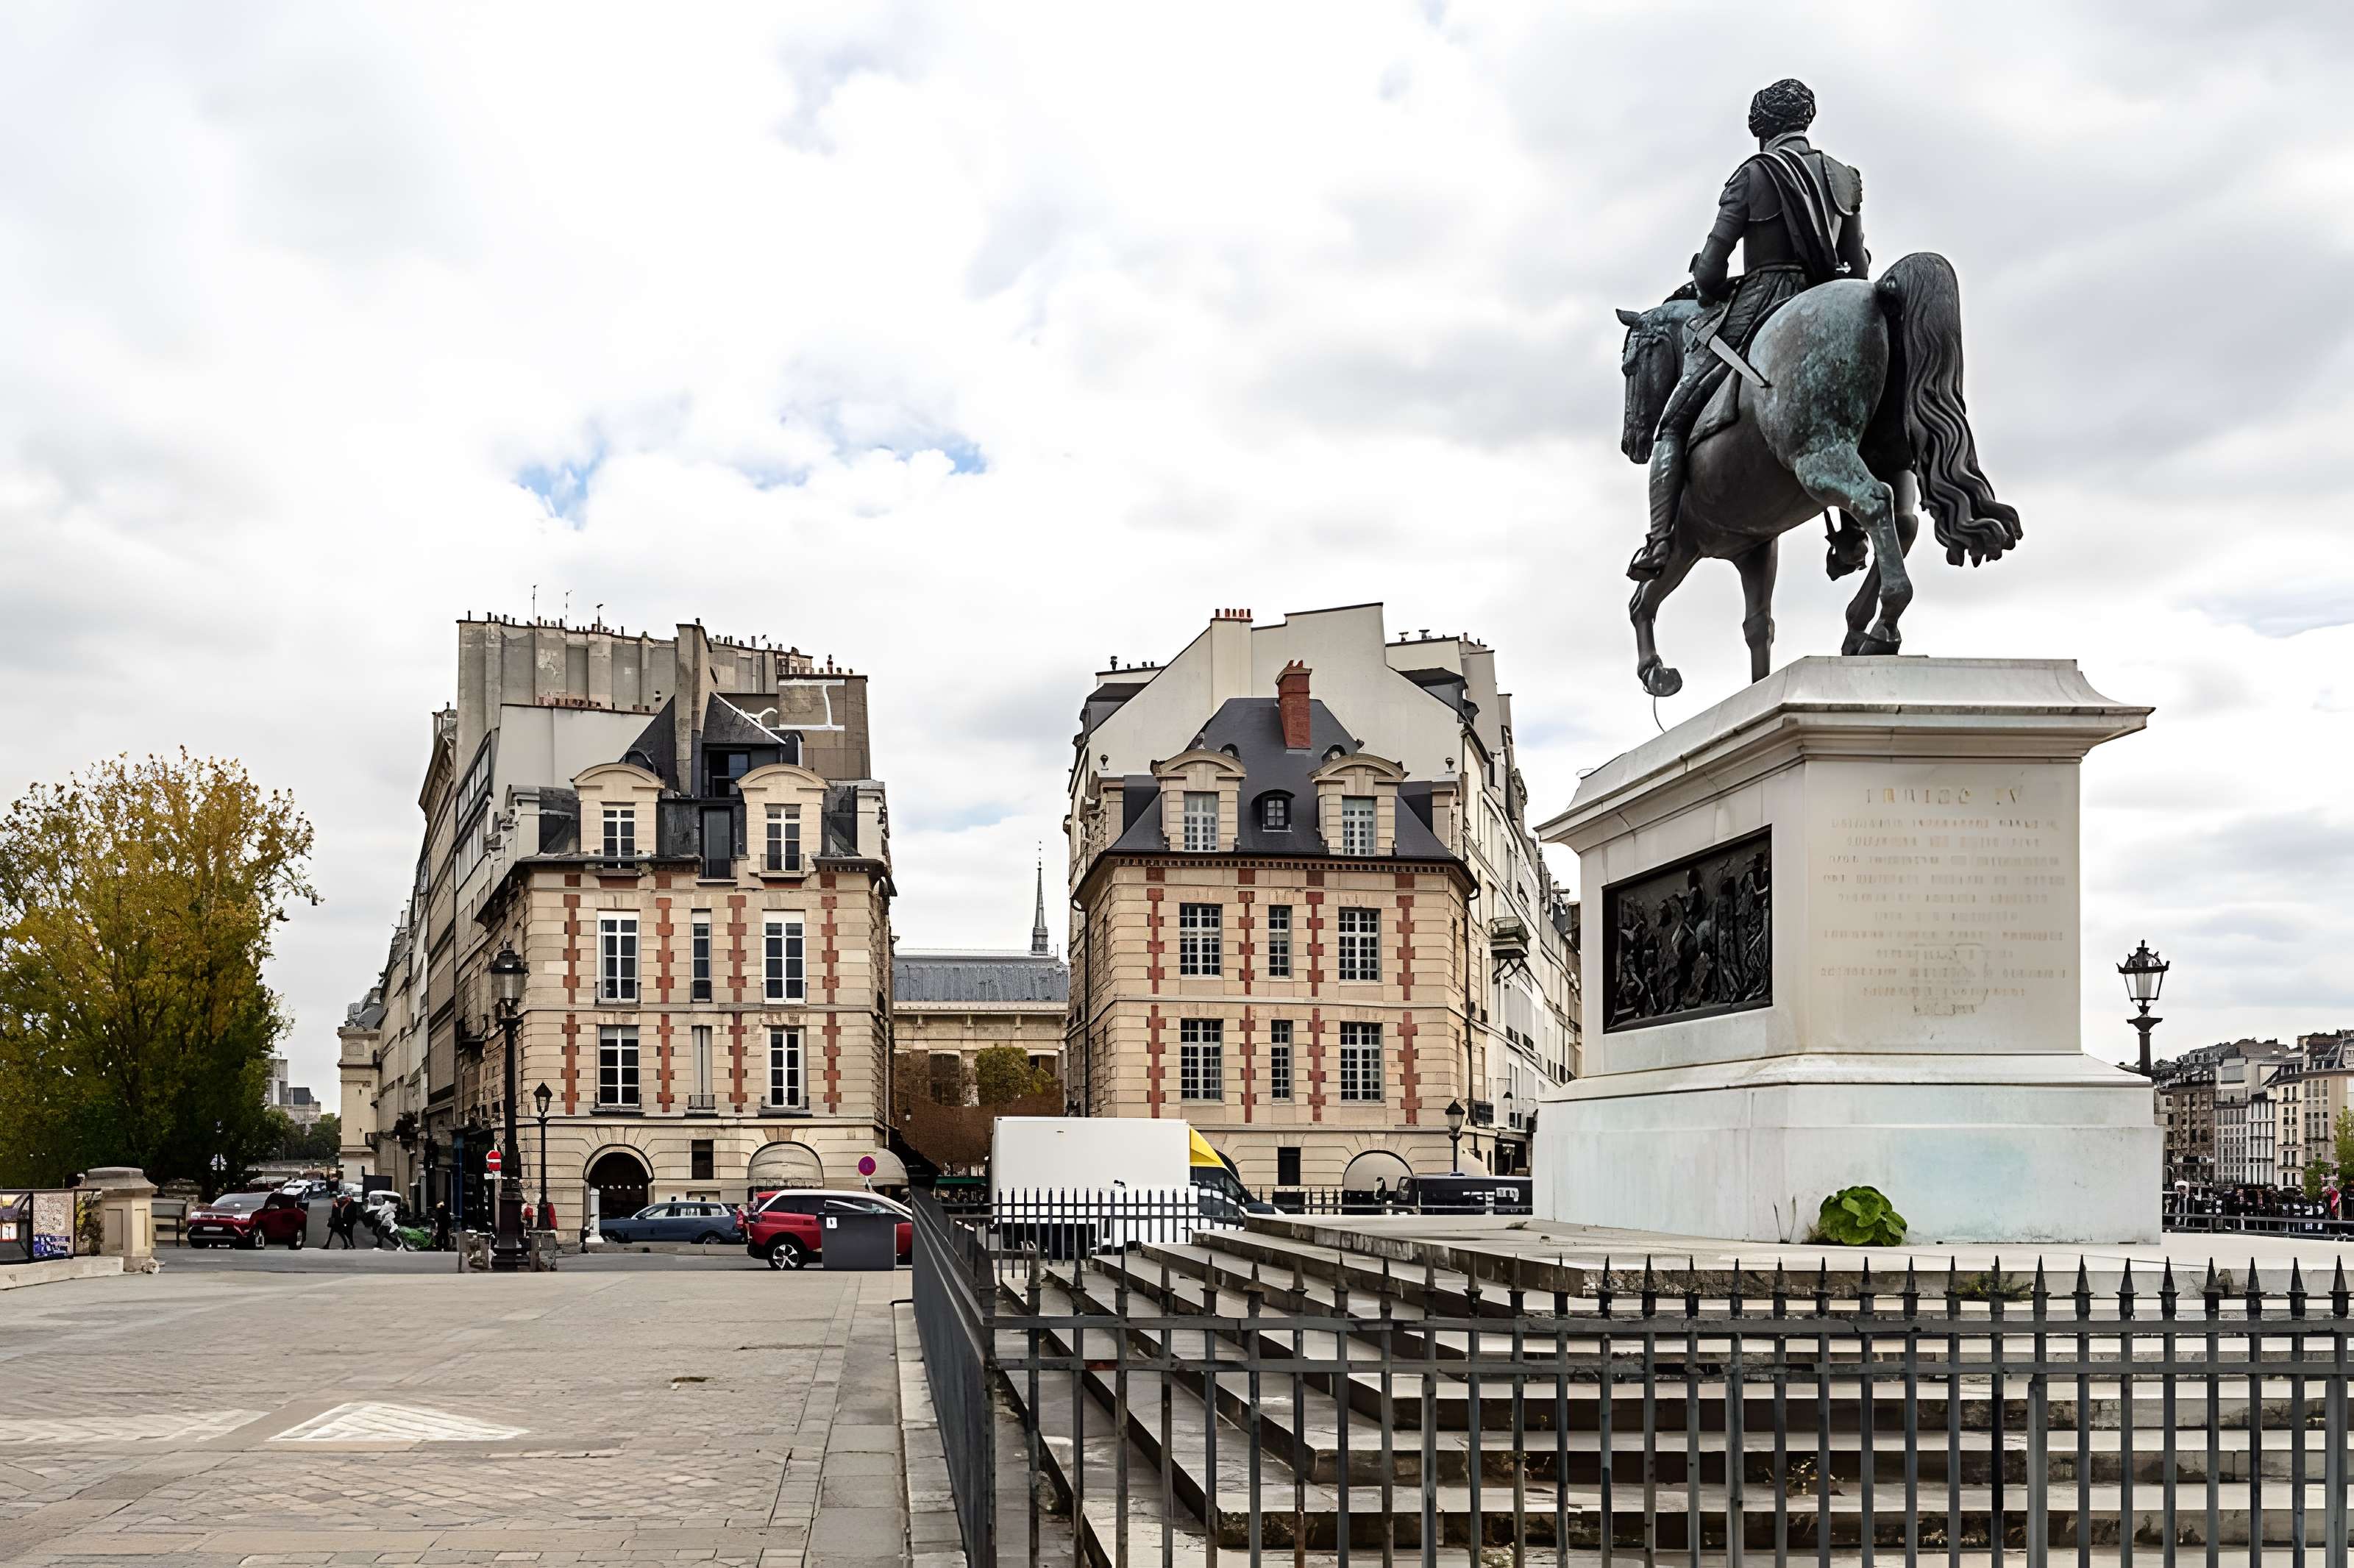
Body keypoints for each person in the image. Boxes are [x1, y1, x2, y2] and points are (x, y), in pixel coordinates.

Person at [1629, 79, 1872, 582]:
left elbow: (1711, 271)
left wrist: (1707, 278)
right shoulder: (1844, 177)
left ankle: (1658, 541)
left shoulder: (1752, 176)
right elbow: (1859, 265)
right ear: (1806, 119)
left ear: (1759, 128)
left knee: (1673, 424)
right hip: (1823, 301)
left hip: (1763, 303)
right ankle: (1854, 531)